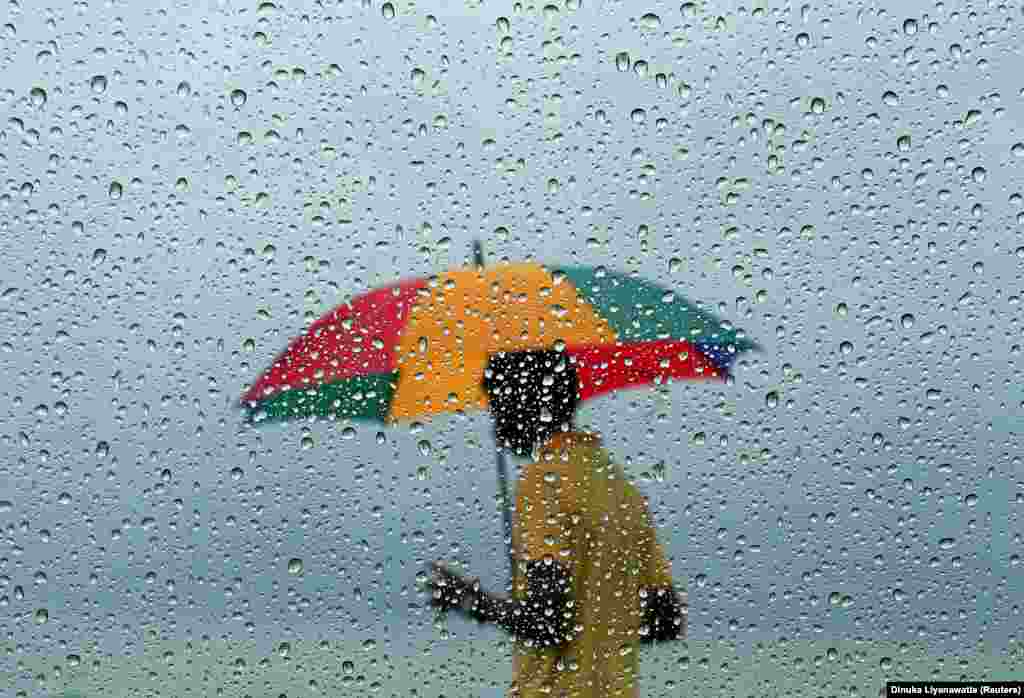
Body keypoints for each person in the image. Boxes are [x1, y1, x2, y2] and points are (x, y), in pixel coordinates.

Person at [427, 348, 686, 698]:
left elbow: (550, 623)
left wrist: (471, 600)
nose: (497, 426)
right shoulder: (621, 488)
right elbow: (667, 619)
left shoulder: (542, 482)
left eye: (499, 406)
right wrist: (601, 628)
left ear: (527, 401)